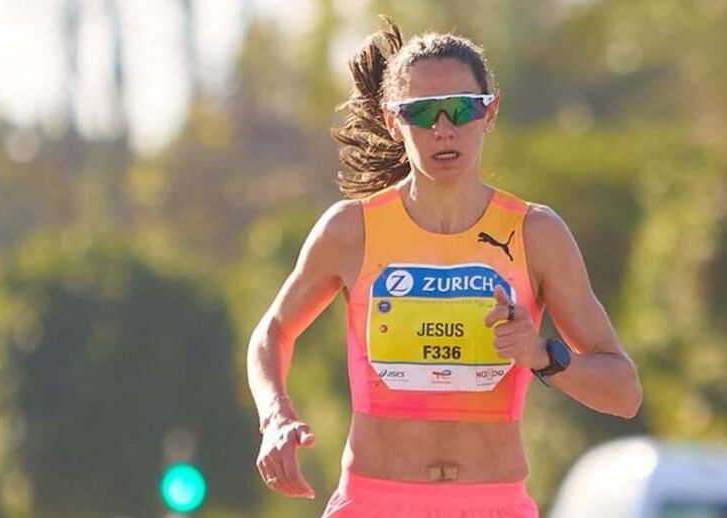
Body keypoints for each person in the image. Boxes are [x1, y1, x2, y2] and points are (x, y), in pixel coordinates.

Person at [246, 17, 643, 518]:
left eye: (460, 108)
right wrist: (275, 417)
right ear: (394, 120)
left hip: (492, 503)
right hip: (374, 502)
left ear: (490, 111)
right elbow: (274, 332)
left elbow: (623, 392)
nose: (443, 129)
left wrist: (541, 354)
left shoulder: (536, 233)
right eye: (421, 112)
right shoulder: (351, 230)